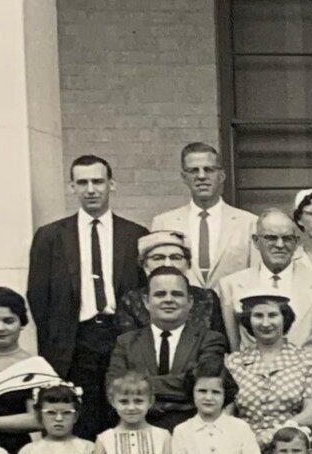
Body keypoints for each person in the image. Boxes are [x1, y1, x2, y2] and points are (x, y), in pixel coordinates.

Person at [26, 155, 147, 434]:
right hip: (75, 343)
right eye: (82, 182)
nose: (90, 189)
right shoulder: (50, 236)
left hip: (121, 338)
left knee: (122, 417)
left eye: (98, 181)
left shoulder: (134, 235)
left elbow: (142, 296)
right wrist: (56, 343)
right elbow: (38, 296)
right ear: (72, 187)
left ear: (111, 184)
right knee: (81, 423)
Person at [108, 268, 229, 432]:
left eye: (177, 294)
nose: (168, 300)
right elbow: (113, 387)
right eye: (160, 294)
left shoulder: (210, 340)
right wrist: (180, 390)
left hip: (193, 431)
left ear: (190, 302)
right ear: (146, 301)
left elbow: (198, 382)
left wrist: (137, 385)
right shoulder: (126, 342)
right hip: (139, 429)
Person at [214, 209, 312, 358]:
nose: (280, 245)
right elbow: (235, 348)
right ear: (256, 241)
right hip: (252, 378)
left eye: (287, 238)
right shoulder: (231, 285)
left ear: (296, 243)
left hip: (307, 377)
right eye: (271, 238)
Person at [148, 142, 254, 289]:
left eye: (209, 170)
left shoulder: (248, 223)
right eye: (193, 171)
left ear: (221, 175)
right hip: (183, 307)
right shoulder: (164, 223)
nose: (201, 176)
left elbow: (255, 275)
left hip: (232, 306)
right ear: (184, 177)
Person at [225, 291, 312, 440]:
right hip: (246, 448)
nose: (266, 323)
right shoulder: (234, 363)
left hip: (293, 450)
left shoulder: (307, 360)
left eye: (273, 315)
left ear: (285, 318)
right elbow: (225, 415)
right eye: (258, 316)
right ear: (248, 320)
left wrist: (272, 435)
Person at [117, 230, 229, 340]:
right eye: (158, 258)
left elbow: (218, 344)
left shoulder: (207, 299)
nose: (167, 264)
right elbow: (130, 347)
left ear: (188, 264)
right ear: (145, 265)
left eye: (176, 257)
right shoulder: (131, 301)